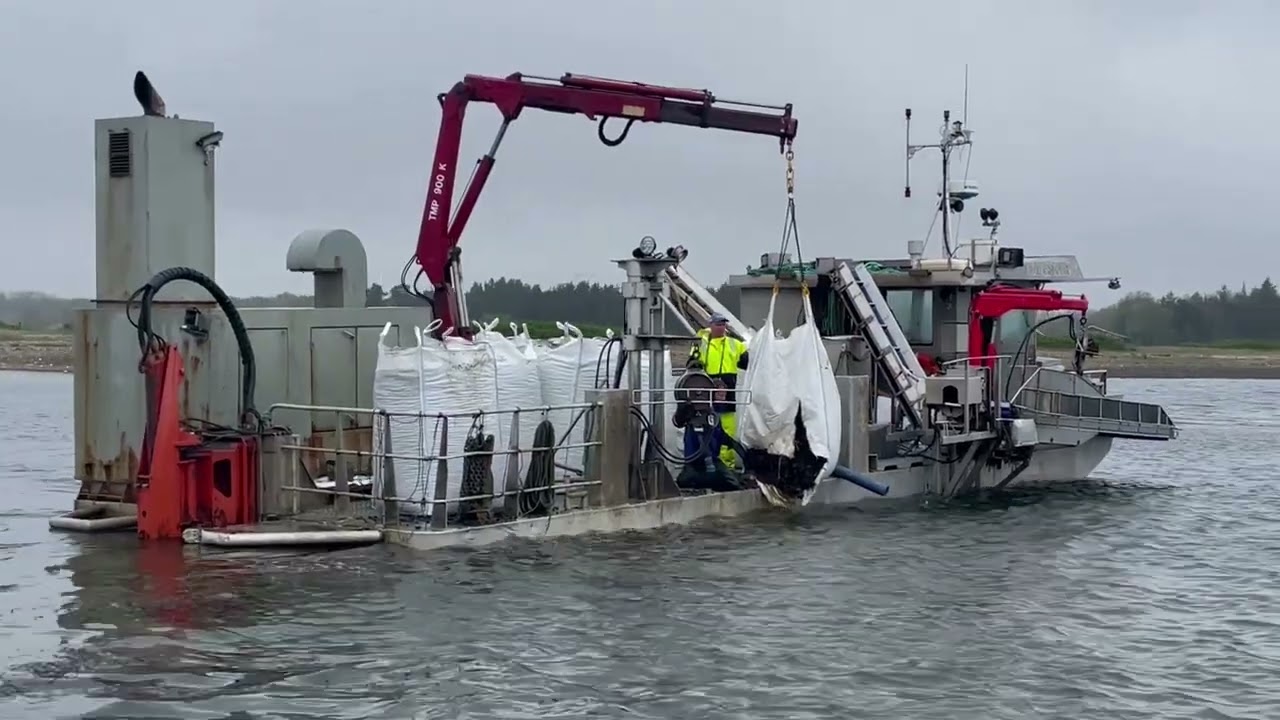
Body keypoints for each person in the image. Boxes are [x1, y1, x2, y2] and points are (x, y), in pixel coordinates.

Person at [689, 313, 748, 467]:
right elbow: (692, 365)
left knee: (727, 428)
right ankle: (707, 461)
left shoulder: (736, 344)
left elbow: (748, 363)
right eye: (718, 324)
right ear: (710, 326)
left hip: (727, 393)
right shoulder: (700, 343)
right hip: (706, 394)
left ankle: (726, 464)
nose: (721, 327)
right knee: (707, 427)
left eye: (723, 324)